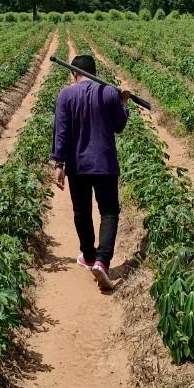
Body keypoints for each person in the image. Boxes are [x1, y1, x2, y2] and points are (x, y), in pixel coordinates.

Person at [50, 54, 132, 289]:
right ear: (95, 72)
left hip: (78, 165)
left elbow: (61, 131)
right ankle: (102, 262)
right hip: (105, 163)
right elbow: (119, 126)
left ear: (73, 73)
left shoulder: (66, 95)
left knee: (81, 211)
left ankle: (88, 255)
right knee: (108, 211)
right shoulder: (108, 92)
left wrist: (59, 164)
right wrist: (123, 101)